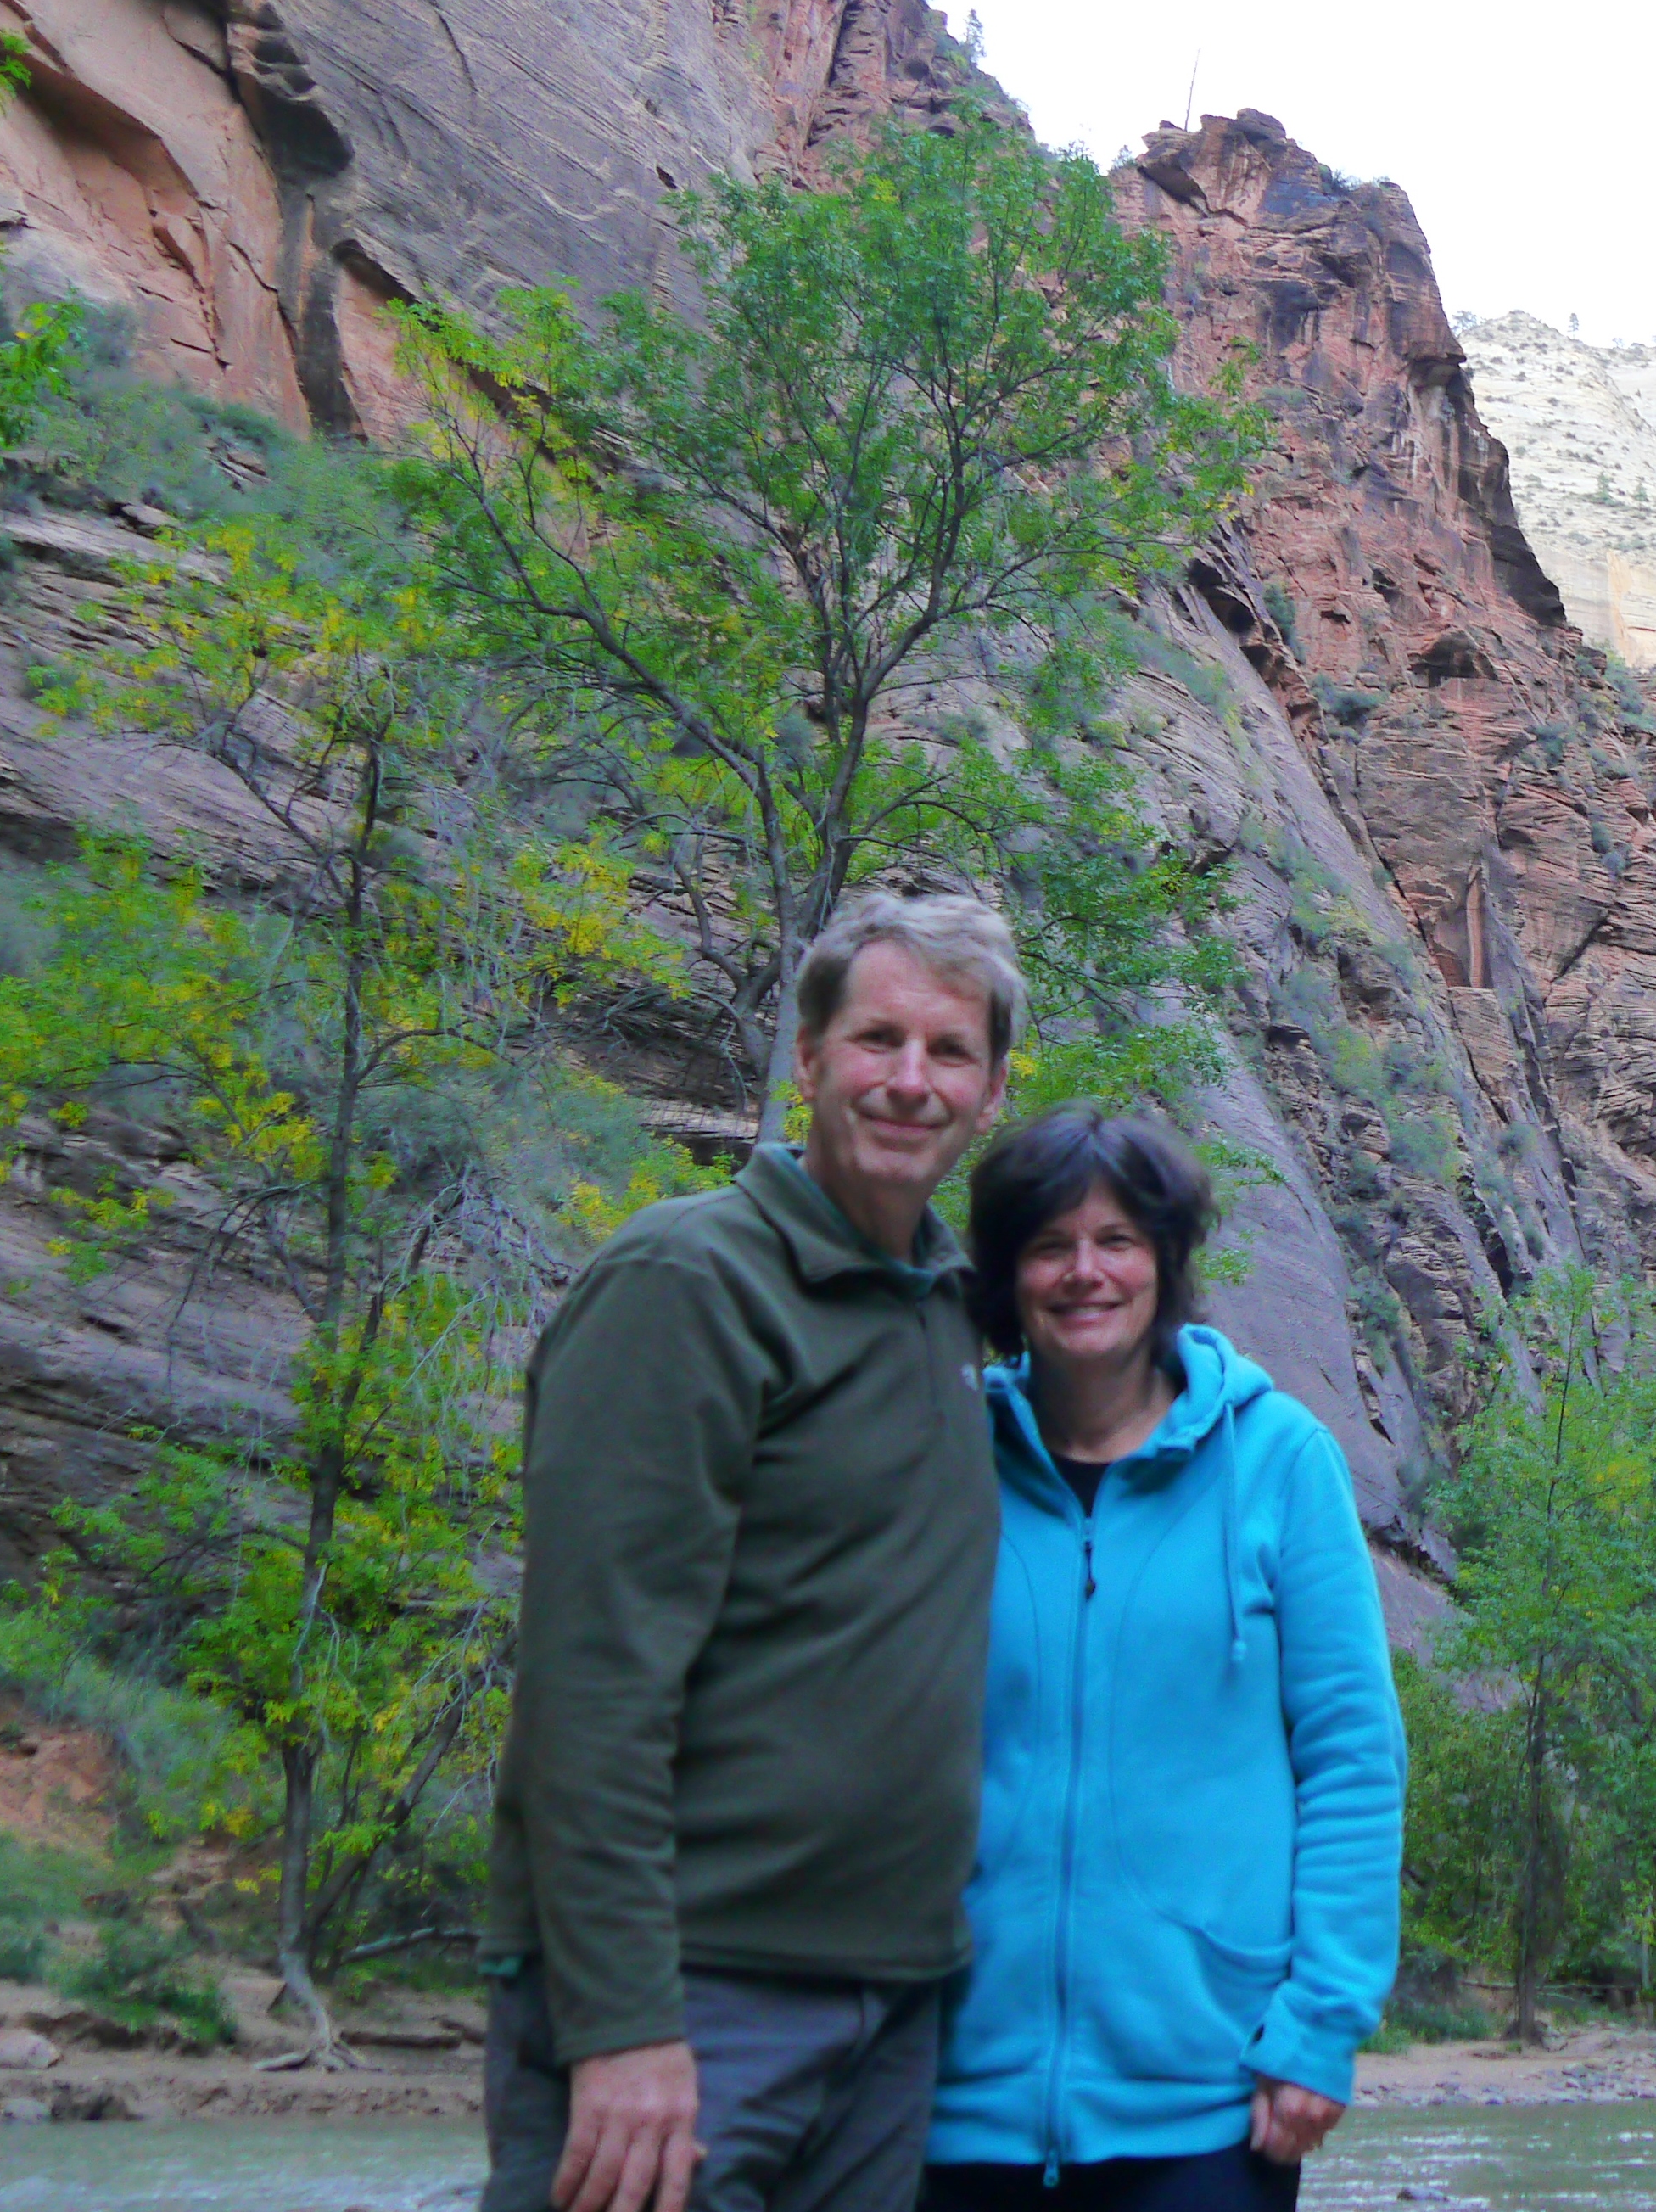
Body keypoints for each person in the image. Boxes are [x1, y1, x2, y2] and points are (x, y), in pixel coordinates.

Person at [480, 891, 1025, 2212]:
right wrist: (618, 2022)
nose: (910, 1081)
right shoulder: (690, 1283)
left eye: (949, 1051)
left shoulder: (954, 1320)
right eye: (875, 1039)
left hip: (890, 2006)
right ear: (806, 1058)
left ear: (993, 1090)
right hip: (689, 1996)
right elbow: (592, 1682)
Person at [924, 1103, 1405, 2212]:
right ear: (1006, 1272)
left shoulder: (1280, 1459)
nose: (1083, 1271)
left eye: (1115, 1241)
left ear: (1165, 1260)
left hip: (1211, 2102)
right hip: (953, 2094)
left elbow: (1349, 1759)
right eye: (1048, 1244)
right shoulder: (944, 1458)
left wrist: (1319, 2024)